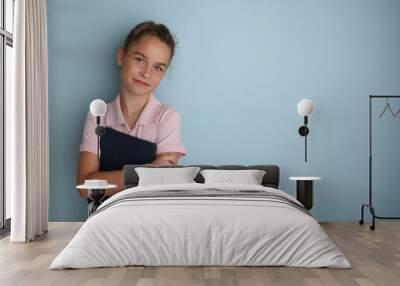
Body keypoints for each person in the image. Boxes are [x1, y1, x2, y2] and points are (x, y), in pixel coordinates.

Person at [77, 21, 186, 198]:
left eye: (158, 67)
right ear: (121, 56)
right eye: (140, 60)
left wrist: (105, 179)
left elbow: (165, 178)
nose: (147, 73)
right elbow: (85, 186)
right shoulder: (97, 116)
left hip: (150, 220)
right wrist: (150, 172)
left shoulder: (167, 117)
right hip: (105, 220)